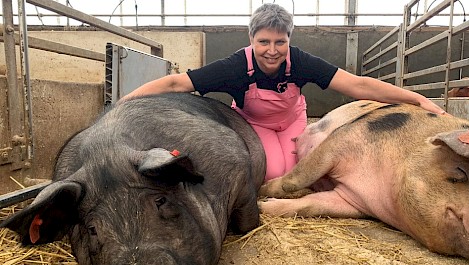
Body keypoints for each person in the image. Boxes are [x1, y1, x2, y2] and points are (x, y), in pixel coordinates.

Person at [121, 3, 446, 182]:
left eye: (280, 42)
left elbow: (358, 85)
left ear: (289, 40)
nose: (272, 50)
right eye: (264, 41)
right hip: (254, 124)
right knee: (274, 173)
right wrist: (127, 101)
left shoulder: (301, 62)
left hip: (292, 119)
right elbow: (178, 83)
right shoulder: (236, 67)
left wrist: (414, 98)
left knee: (305, 170)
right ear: (252, 39)